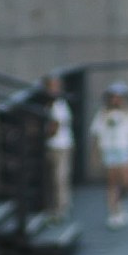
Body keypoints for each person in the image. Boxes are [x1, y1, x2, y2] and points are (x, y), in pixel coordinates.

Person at [88, 81, 128, 229]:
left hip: (125, 150)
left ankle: (122, 203)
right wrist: (96, 154)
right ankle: (114, 212)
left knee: (127, 182)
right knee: (112, 183)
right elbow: (96, 134)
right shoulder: (102, 115)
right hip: (109, 150)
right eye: (113, 97)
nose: (116, 100)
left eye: (119, 97)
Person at [43, 73, 74, 223]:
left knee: (59, 178)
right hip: (56, 145)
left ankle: (61, 209)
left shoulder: (58, 104)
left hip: (60, 145)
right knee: (56, 178)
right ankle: (58, 207)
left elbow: (54, 127)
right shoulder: (51, 103)